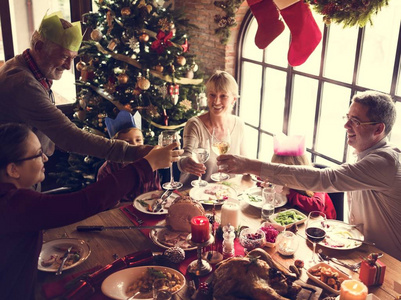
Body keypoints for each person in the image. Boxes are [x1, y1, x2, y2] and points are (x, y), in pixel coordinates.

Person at [0, 123, 182, 299]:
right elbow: (84, 202)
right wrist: (147, 164)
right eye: (38, 154)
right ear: (13, 169)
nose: (45, 158)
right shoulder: (12, 204)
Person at [217, 91, 401, 260]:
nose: (346, 125)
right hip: (365, 252)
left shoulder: (385, 161)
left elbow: (324, 179)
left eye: (356, 121)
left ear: (378, 129)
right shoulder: (366, 156)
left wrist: (250, 165)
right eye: (347, 118)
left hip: (390, 262)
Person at [0, 11, 152, 167]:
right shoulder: (23, 83)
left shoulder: (23, 67)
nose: (68, 66)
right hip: (12, 175)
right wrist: (136, 152)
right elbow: (68, 136)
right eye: (65, 57)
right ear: (39, 47)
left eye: (73, 58)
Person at [178, 70, 246, 187]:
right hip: (194, 193)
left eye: (223, 96)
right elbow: (185, 157)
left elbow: (245, 164)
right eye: (212, 95)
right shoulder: (194, 124)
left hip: (227, 193)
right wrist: (185, 162)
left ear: (233, 99)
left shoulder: (239, 124)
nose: (216, 101)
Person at [97, 111, 161, 200]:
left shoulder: (149, 162)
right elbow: (105, 200)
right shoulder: (106, 170)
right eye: (127, 142)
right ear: (117, 145)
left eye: (138, 140)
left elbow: (156, 192)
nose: (135, 145)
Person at [270, 134, 336, 219]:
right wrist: (268, 183)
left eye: (283, 172)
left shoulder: (315, 179)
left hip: (323, 224)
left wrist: (289, 193)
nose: (280, 175)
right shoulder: (284, 178)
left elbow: (317, 207)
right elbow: (266, 179)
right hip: (297, 215)